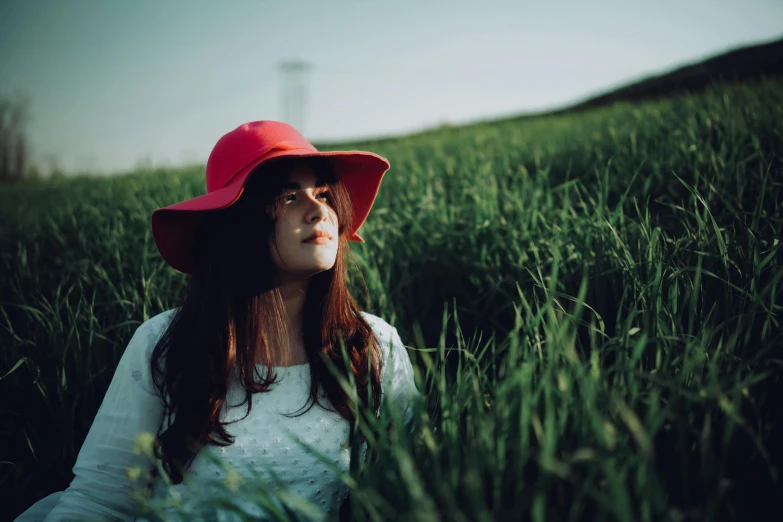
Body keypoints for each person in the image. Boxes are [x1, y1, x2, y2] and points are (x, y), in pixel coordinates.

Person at [15, 121, 421, 521]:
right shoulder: (166, 341)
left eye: (325, 194)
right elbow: (102, 499)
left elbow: (412, 490)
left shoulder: (372, 345)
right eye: (289, 197)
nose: (319, 211)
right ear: (240, 221)